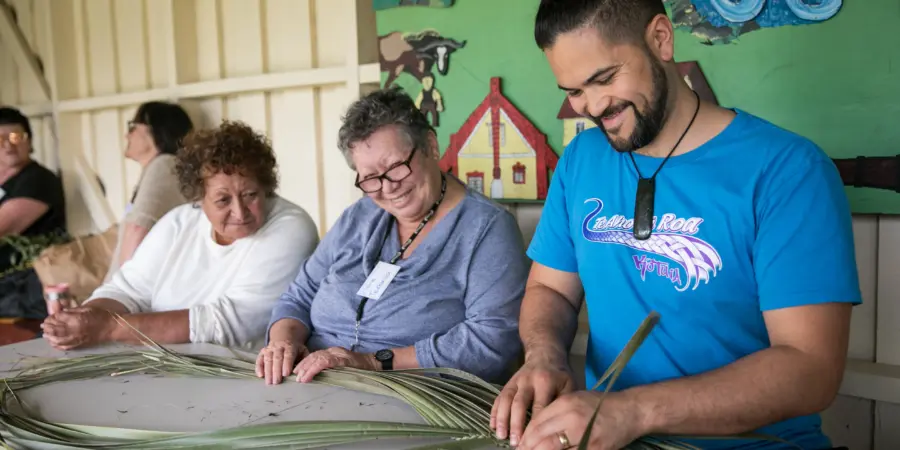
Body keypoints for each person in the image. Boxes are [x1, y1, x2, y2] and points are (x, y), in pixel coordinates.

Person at [490, 1, 860, 450]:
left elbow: (811, 369)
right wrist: (544, 356)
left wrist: (633, 411)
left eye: (604, 79)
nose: (593, 106)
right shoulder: (581, 160)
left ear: (661, 39)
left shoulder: (788, 170)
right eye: (573, 91)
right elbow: (550, 290)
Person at [255, 87, 528, 385]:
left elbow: (491, 342)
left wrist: (372, 362)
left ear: (431, 146)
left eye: (396, 167)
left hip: (417, 392)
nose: (387, 188)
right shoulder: (357, 217)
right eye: (370, 177)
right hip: (315, 382)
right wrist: (283, 343)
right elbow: (299, 296)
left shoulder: (486, 228)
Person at [40, 121, 319, 351]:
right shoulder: (180, 222)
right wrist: (83, 318)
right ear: (199, 199)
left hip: (237, 372)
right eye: (223, 200)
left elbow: (229, 325)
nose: (240, 211)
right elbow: (126, 290)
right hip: (158, 362)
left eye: (250, 195)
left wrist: (107, 327)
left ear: (266, 188)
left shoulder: (290, 227)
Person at [105, 102, 193, 282]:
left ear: (155, 131)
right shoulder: (161, 168)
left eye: (133, 127)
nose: (126, 135)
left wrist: (120, 291)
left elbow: (139, 228)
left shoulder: (164, 166)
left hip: (128, 297)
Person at [0, 107, 67, 319]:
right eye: (0, 138)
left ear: (29, 141)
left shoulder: (38, 180)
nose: (9, 144)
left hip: (24, 281)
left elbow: (4, 227)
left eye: (16, 136)